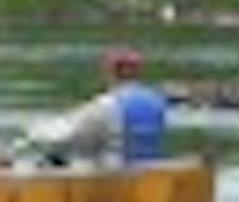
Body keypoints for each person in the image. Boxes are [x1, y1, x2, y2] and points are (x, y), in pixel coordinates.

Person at [26, 46, 168, 165]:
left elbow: (66, 135)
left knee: (49, 160)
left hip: (114, 175)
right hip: (147, 171)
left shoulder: (106, 105)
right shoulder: (156, 101)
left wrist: (34, 131)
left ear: (111, 72)